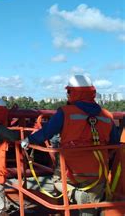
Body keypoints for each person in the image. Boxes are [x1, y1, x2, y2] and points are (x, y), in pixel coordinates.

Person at [21, 75, 120, 215]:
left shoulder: (65, 112)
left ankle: (76, 195)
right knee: (90, 208)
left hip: (69, 169)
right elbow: (114, 143)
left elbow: (46, 132)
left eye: (68, 92)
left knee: (57, 182)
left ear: (73, 93)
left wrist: (28, 140)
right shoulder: (107, 115)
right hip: (98, 170)